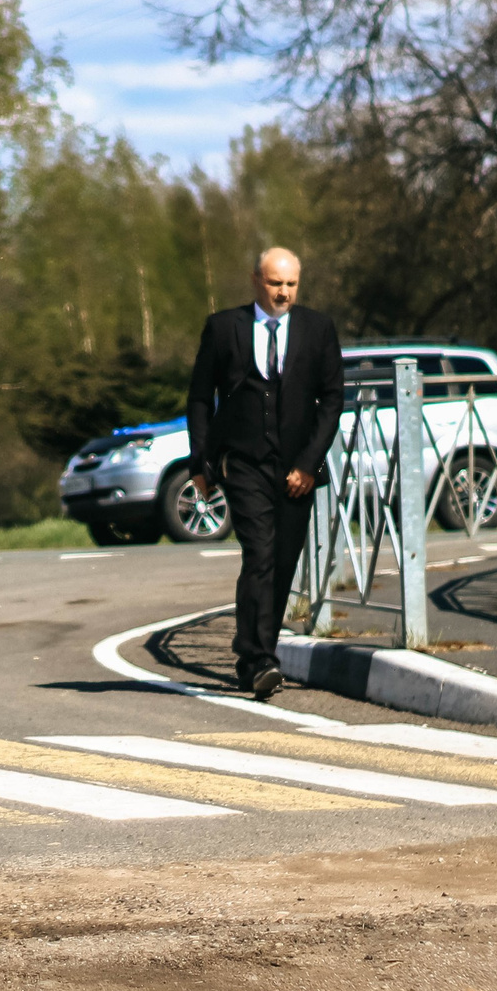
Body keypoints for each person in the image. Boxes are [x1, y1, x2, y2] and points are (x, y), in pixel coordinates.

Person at [185, 247, 345, 697]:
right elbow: (200, 397)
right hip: (244, 464)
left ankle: (253, 654)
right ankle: (260, 661)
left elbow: (332, 401)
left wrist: (309, 464)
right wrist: (200, 461)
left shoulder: (318, 329)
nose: (284, 293)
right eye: (276, 283)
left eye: (291, 284)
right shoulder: (223, 328)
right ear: (257, 280)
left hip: (297, 469)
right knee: (259, 554)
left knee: (282, 562)